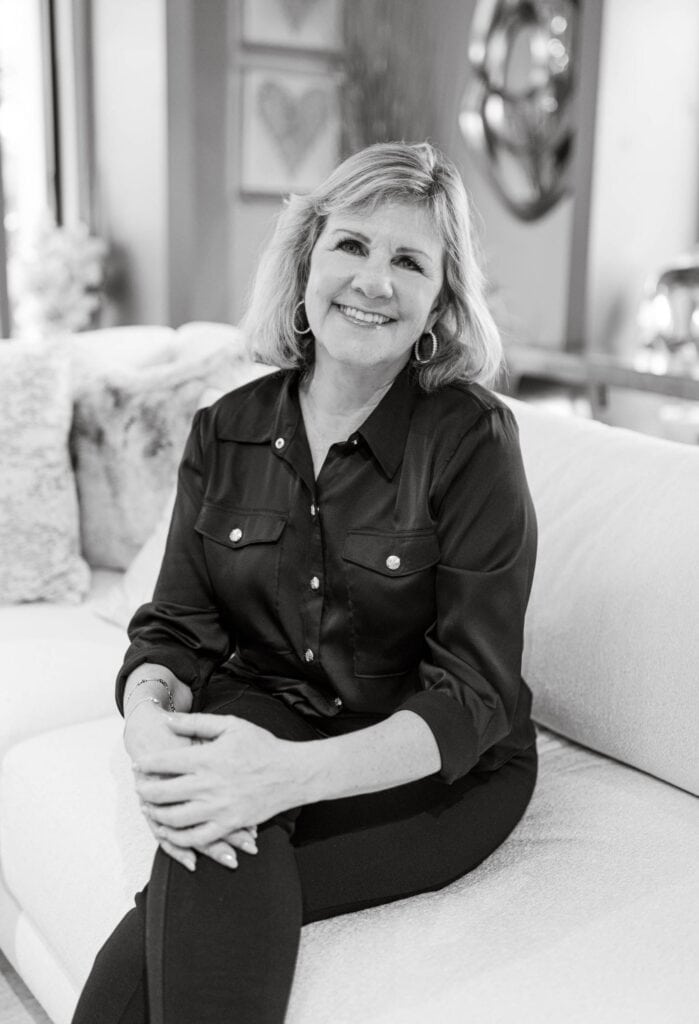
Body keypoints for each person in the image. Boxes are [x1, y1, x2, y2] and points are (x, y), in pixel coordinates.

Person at [72, 141, 538, 1024]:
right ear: (306, 259)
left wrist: (280, 779)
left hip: (432, 773)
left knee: (197, 874)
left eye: (409, 261)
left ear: (439, 300)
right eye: (352, 245)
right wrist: (146, 727)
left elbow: (474, 694)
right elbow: (173, 626)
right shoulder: (226, 429)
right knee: (209, 851)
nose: (373, 280)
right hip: (267, 718)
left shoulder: (470, 439)